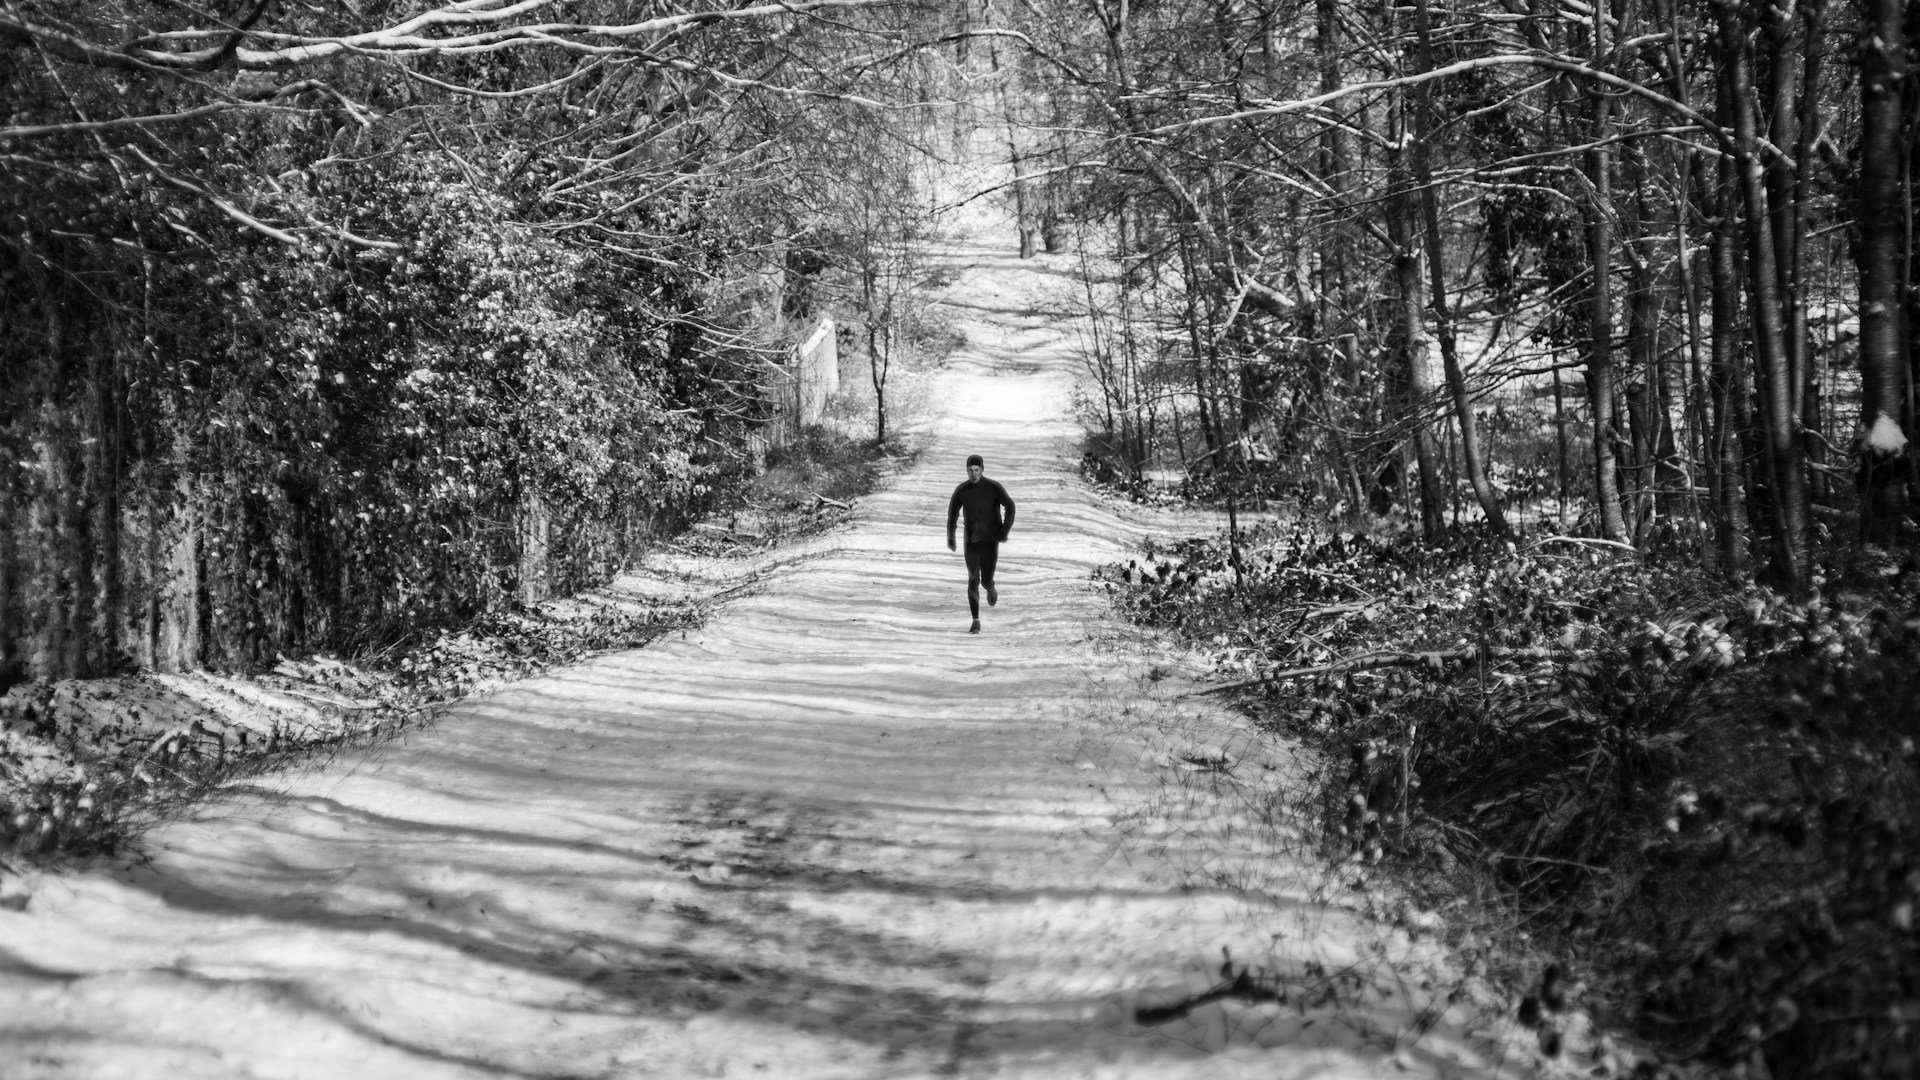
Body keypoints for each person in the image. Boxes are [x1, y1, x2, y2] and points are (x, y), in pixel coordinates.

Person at [947, 454, 1016, 634]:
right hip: (970, 541)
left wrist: (1004, 530)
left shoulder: (993, 487)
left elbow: (1010, 506)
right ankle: (975, 620)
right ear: (966, 471)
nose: (973, 473)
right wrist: (951, 537)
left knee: (985, 580)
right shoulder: (962, 490)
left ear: (982, 470)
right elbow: (952, 514)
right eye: (970, 470)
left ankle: (990, 587)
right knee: (972, 579)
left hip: (990, 541)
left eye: (977, 470)